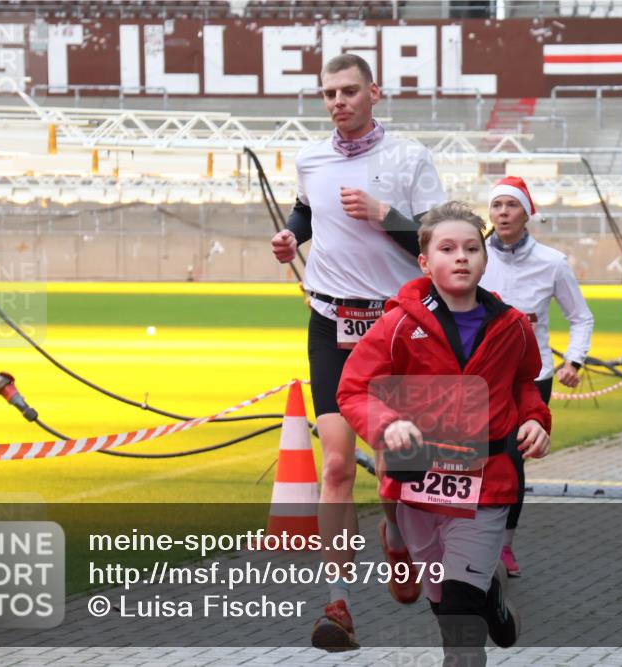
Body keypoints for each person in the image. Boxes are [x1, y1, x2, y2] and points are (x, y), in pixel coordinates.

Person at [269, 54, 445, 651]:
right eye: (327, 94)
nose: (337, 102)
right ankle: (336, 605)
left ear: (375, 92)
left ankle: (396, 531)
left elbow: (437, 241)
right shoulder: (311, 158)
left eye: (348, 91)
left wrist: (381, 215)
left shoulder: (409, 158)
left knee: (400, 469)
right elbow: (306, 205)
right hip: (329, 322)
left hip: (396, 328)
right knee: (337, 466)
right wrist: (294, 234)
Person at [337, 201, 551, 666]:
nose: (461, 257)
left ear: (484, 258)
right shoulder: (397, 326)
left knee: (459, 622)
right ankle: (490, 591)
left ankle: (476, 605)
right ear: (424, 261)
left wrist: (535, 419)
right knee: (443, 601)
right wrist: (387, 424)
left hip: (485, 487)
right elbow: (354, 390)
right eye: (448, 248)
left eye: (472, 248)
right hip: (416, 489)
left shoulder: (511, 326)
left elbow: (524, 383)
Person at [478, 175, 593, 577]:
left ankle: (504, 546)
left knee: (511, 460)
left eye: (511, 205)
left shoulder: (552, 263)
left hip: (532, 376)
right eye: (496, 205)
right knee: (473, 459)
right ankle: (469, 540)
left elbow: (581, 317)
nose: (503, 212)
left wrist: (573, 361)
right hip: (479, 379)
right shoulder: (474, 257)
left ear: (527, 213)